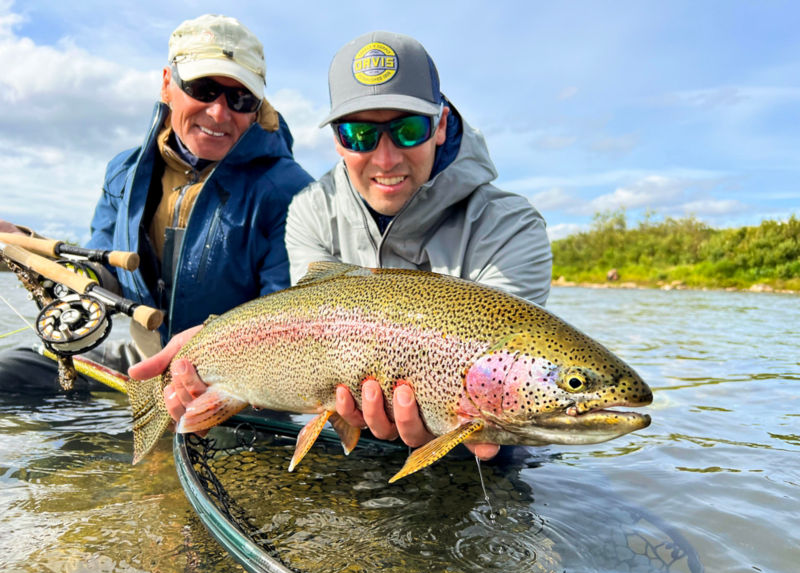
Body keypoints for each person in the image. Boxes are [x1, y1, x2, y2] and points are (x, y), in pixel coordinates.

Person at [130, 31, 553, 461]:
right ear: (336, 138)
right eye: (359, 134)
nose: (386, 158)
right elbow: (302, 323)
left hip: (476, 449)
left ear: (440, 125)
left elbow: (504, 376)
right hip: (349, 449)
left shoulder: (512, 228)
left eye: (408, 130)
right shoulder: (310, 210)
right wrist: (216, 350)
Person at [0, 14, 312, 392]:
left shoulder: (293, 193)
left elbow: (291, 321)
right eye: (203, 88)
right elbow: (104, 265)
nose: (219, 111)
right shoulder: (123, 172)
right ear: (168, 84)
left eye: (240, 98)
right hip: (142, 359)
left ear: (257, 106)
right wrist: (31, 249)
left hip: (234, 377)